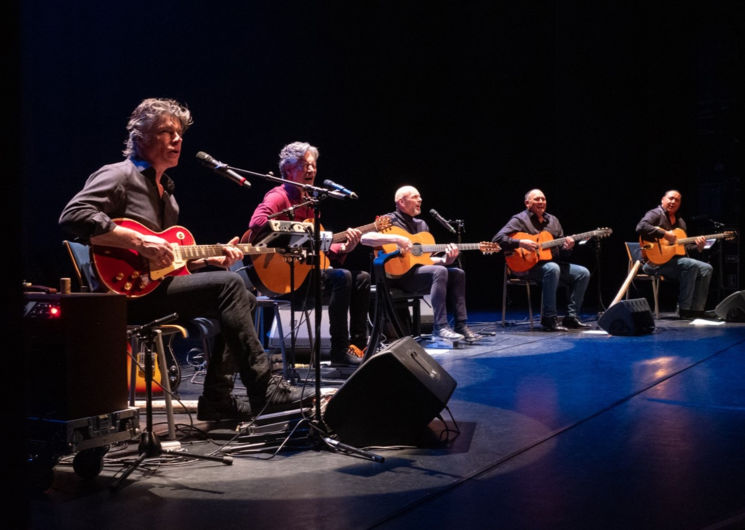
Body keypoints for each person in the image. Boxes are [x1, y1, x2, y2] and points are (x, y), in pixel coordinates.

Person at [59, 97, 308, 422]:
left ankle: (216, 400)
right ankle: (264, 388)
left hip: (156, 291)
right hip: (124, 297)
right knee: (232, 286)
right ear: (141, 137)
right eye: (166, 132)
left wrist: (209, 261)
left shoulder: (169, 197)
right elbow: (73, 215)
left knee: (242, 293)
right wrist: (138, 240)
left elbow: (168, 262)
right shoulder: (118, 175)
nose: (177, 139)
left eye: (179, 133)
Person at [247, 141, 370, 366]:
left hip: (308, 276)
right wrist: (297, 235)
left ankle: (358, 345)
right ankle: (338, 351)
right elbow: (257, 223)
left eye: (313, 165)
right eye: (303, 165)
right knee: (342, 277)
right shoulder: (279, 196)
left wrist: (344, 248)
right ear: (287, 171)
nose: (310, 170)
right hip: (283, 278)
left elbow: (318, 249)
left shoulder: (311, 202)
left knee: (361, 277)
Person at [360, 185, 481, 342]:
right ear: (401, 201)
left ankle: (461, 325)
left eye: (420, 197)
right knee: (439, 271)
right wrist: (397, 239)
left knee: (457, 273)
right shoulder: (388, 220)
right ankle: (441, 327)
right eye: (415, 197)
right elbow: (365, 238)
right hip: (397, 277)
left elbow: (424, 260)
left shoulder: (422, 225)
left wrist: (446, 260)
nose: (420, 200)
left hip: (417, 275)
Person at [493, 188, 591, 331]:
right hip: (526, 267)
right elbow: (497, 239)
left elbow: (560, 255)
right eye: (537, 199)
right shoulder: (519, 219)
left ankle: (571, 317)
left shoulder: (553, 221)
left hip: (550, 266)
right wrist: (520, 243)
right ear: (527, 203)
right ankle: (549, 319)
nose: (541, 202)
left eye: (543, 199)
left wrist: (567, 248)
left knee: (583, 272)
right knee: (552, 268)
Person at [636, 189, 714, 319]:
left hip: (675, 263)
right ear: (663, 200)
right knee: (690, 265)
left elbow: (684, 248)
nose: (673, 201)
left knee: (707, 268)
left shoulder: (681, 222)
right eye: (671, 198)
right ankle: (684, 309)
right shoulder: (655, 214)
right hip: (653, 263)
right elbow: (641, 227)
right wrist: (665, 234)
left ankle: (697, 310)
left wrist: (699, 247)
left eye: (677, 200)